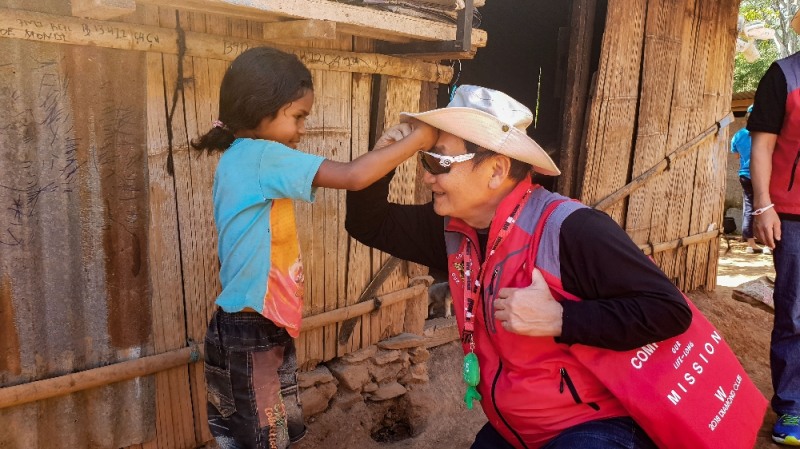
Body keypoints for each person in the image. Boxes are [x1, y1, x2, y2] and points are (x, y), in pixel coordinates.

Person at [345, 85, 691, 449]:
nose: (427, 176)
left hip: (596, 425)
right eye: (425, 160)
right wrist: (384, 156)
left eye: (440, 162)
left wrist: (560, 318)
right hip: (516, 428)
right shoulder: (453, 229)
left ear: (496, 170)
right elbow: (368, 223)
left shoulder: (572, 229)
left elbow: (668, 310)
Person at [191, 46, 436, 449]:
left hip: (247, 325)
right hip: (253, 328)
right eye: (298, 116)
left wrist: (382, 153)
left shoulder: (240, 156)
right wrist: (421, 138)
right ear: (260, 106)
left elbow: (360, 172)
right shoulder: (262, 155)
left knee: (256, 437)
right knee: (266, 439)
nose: (303, 129)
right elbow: (355, 177)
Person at [748, 10, 800, 445]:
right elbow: (762, 145)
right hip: (794, 214)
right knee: (796, 313)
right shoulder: (784, 75)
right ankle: (792, 407)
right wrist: (763, 206)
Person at [732, 105, 770, 254]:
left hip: (745, 176)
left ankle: (751, 245)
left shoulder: (738, 135)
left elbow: (736, 156)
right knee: (766, 207)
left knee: (749, 208)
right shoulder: (766, 134)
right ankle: (768, 245)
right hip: (763, 175)